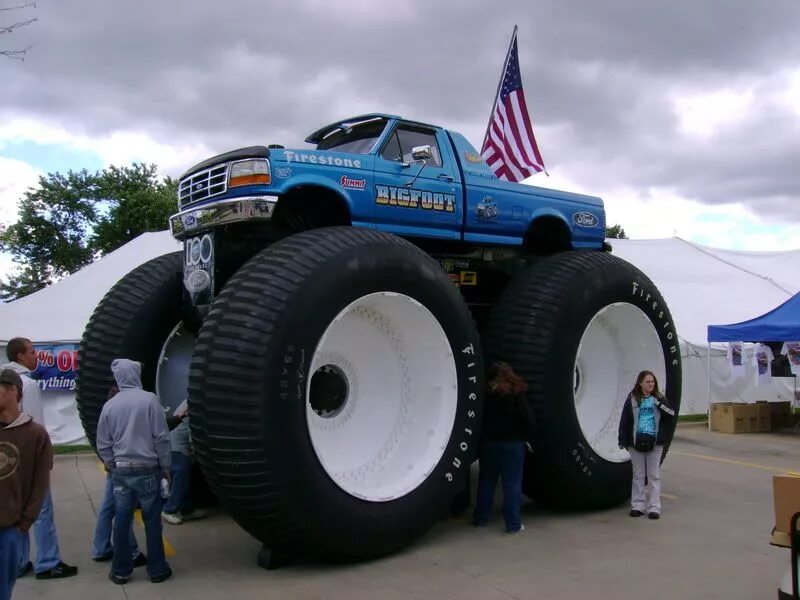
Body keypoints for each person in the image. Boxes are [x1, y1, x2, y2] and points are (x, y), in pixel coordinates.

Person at [2, 337, 77, 580]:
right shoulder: (28, 385)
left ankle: (20, 561)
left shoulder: (5, 381)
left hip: (9, 456)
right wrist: (46, 455)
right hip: (29, 455)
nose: (37, 356)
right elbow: (35, 423)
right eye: (33, 352)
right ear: (20, 356)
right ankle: (48, 561)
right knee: (41, 508)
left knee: (15, 509)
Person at [96, 359, 172, 585]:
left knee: (121, 520)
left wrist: (112, 463)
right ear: (135, 375)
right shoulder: (149, 400)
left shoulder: (110, 405)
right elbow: (161, 437)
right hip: (149, 469)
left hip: (122, 471)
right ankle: (157, 569)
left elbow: (103, 442)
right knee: (152, 521)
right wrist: (166, 466)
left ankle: (120, 570)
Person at [0, 368, 52, 600]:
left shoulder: (35, 435)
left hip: (9, 530)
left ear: (12, 391)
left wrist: (23, 524)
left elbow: (40, 483)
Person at [472, 361, 536, 534]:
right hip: (513, 444)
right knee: (512, 484)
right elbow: (528, 419)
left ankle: (481, 518)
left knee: (486, 482)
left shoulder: (485, 394)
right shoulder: (517, 393)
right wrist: (530, 438)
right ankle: (513, 525)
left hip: (489, 444)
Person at [90, 385, 147, 566]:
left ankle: (100, 547)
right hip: (124, 467)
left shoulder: (107, 413)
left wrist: (108, 462)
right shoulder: (127, 414)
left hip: (113, 466)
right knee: (124, 510)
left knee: (108, 506)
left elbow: (102, 441)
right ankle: (130, 551)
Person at [617, 370, 676, 520]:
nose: (651, 384)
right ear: (640, 383)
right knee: (638, 475)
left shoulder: (659, 398)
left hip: (654, 442)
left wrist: (659, 403)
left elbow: (671, 414)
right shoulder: (632, 399)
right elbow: (625, 421)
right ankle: (637, 505)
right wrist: (622, 440)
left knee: (653, 475)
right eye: (648, 382)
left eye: (652, 382)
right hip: (636, 442)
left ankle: (654, 507)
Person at [162, 406, 207, 525]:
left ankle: (186, 510)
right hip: (178, 446)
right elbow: (193, 428)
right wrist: (192, 448)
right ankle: (169, 510)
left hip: (175, 444)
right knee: (180, 477)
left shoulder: (189, 401)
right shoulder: (194, 402)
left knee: (184, 478)